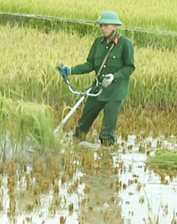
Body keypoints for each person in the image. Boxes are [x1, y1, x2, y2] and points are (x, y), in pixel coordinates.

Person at [57, 10, 135, 146]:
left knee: (106, 134)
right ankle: (76, 149)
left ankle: (106, 156)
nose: (103, 28)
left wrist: (114, 76)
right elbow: (90, 64)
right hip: (97, 89)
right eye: (101, 25)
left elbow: (130, 67)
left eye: (106, 25)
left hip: (114, 92)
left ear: (114, 26)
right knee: (82, 126)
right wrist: (70, 70)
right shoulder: (98, 42)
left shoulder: (125, 43)